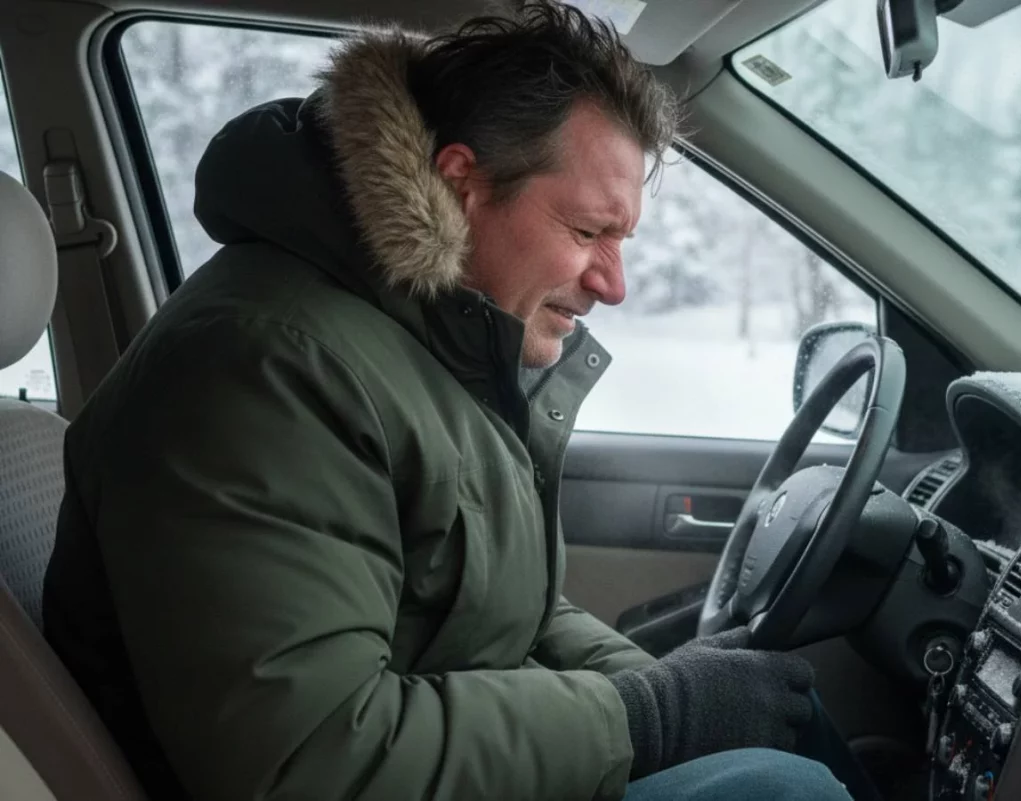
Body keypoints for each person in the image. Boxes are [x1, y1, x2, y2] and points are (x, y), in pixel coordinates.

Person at [42, 4, 869, 800]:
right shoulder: (265, 369)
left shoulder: (426, 339)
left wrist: (672, 695)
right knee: (777, 788)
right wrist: (649, 716)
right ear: (463, 183)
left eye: (622, 241)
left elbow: (503, 615)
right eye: (587, 233)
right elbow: (309, 757)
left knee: (781, 721)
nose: (613, 285)